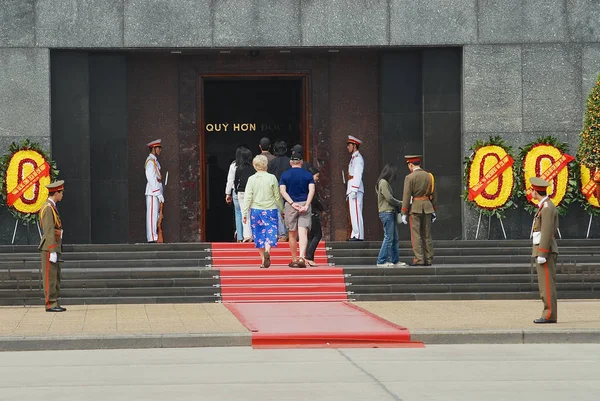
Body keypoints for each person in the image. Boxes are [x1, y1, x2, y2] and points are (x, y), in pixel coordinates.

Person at [242, 155, 283, 268]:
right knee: (270, 231)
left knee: (258, 234)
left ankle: (262, 260)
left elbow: (247, 197)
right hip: (270, 209)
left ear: (255, 166)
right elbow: (277, 196)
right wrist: (282, 209)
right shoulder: (272, 178)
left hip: (256, 210)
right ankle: (268, 250)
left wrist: (244, 213)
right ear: (266, 165)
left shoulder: (251, 179)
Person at [530, 177, 559, 324]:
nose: (530, 192)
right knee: (545, 284)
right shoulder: (544, 206)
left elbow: (547, 231)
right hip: (543, 250)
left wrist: (542, 252)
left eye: (531, 190)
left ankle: (549, 314)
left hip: (545, 252)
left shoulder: (547, 207)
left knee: (546, 285)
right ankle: (549, 313)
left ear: (535, 191)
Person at [280, 151, 315, 268]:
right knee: (303, 231)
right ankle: (301, 257)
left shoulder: (285, 175)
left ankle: (294, 258)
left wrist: (291, 203)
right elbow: (312, 190)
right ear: (301, 162)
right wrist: (307, 204)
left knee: (292, 233)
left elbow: (282, 191)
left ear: (291, 162)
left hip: (291, 205)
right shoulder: (308, 175)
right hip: (305, 203)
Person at [400, 155, 437, 266]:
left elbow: (406, 196)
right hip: (428, 207)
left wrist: (404, 212)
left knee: (416, 235)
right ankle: (428, 258)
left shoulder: (410, 177)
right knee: (427, 234)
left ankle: (419, 259)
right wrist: (434, 210)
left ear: (411, 165)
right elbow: (434, 194)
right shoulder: (429, 176)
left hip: (415, 208)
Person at [39, 180, 66, 312]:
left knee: (55, 276)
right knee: (50, 276)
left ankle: (54, 302)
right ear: (56, 193)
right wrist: (52, 250)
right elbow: (49, 230)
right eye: (61, 193)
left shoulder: (52, 207)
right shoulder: (48, 208)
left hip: (54, 245)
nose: (62, 195)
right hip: (49, 248)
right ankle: (50, 304)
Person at [376, 163, 407, 268]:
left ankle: (395, 260)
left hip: (389, 212)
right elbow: (389, 198)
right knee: (389, 238)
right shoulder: (383, 183)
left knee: (394, 238)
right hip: (387, 212)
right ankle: (381, 260)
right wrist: (401, 203)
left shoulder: (383, 182)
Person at [268, 140, 290, 242]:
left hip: (276, 188)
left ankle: (282, 233)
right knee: (289, 210)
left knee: (278, 211)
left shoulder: (272, 162)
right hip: (289, 187)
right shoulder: (290, 161)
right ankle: (291, 232)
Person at [235, 147, 256, 242]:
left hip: (242, 192)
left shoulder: (239, 168)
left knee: (244, 213)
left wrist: (236, 190)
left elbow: (236, 181)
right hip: (252, 192)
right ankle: (253, 234)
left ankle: (247, 235)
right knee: (252, 213)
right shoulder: (253, 168)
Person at [145, 139, 164, 243]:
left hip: (156, 191)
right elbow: (151, 178)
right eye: (158, 148)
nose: (160, 150)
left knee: (156, 215)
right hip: (152, 192)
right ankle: (152, 237)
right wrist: (157, 193)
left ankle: (154, 236)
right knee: (152, 215)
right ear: (153, 149)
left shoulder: (155, 161)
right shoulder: (150, 162)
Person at [346, 135, 364, 241]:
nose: (348, 147)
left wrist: (354, 189)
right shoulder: (353, 158)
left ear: (354, 146)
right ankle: (355, 233)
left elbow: (358, 174)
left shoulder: (358, 159)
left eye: (349, 145)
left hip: (355, 187)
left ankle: (358, 235)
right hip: (352, 186)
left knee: (356, 211)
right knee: (354, 212)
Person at [305, 166, 324, 267]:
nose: (318, 178)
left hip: (308, 213)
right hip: (313, 213)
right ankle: (308, 256)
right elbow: (315, 200)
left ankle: (309, 257)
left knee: (311, 236)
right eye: (317, 176)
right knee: (318, 235)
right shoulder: (311, 187)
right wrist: (321, 208)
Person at [225, 146, 245, 242]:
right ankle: (247, 235)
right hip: (246, 191)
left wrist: (227, 193)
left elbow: (230, 180)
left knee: (238, 213)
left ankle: (240, 237)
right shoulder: (248, 165)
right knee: (246, 213)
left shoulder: (233, 165)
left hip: (235, 191)